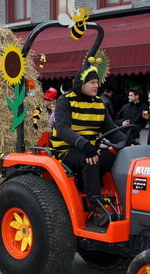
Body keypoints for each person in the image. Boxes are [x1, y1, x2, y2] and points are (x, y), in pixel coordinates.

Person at [50, 62, 125, 223]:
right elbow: (63, 129)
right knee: (90, 160)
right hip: (66, 149)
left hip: (89, 148)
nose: (96, 86)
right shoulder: (65, 101)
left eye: (97, 82)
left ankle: (121, 202)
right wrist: (84, 144)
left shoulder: (98, 103)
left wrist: (127, 144)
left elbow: (110, 129)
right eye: (92, 82)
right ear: (80, 83)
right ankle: (96, 208)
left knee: (116, 157)